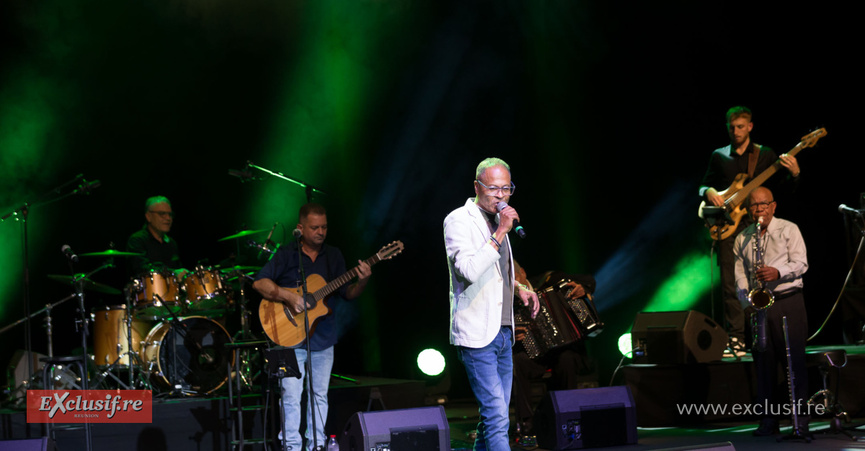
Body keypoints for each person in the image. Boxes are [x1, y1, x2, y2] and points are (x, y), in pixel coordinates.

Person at [253, 203, 371, 451]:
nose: (320, 232)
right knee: (290, 396)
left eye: (324, 227)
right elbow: (259, 283)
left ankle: (316, 445)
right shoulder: (286, 253)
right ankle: (291, 447)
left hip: (323, 337)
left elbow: (347, 294)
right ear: (300, 228)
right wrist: (289, 297)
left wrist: (363, 281)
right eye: (314, 227)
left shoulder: (334, 255)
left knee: (319, 395)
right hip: (285, 337)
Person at [444, 157, 539, 451]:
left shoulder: (499, 222)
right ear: (477, 186)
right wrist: (500, 233)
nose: (501, 195)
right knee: (497, 415)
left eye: (507, 189)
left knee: (494, 416)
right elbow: (469, 270)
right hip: (476, 335)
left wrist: (519, 288)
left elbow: (496, 272)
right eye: (494, 188)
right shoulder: (458, 220)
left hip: (503, 331)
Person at [699, 106, 801, 352]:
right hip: (728, 225)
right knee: (730, 284)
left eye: (741, 126)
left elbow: (781, 189)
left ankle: (763, 335)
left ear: (750, 127)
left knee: (759, 280)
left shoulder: (765, 155)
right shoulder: (719, 155)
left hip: (756, 225)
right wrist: (710, 191)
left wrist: (795, 174)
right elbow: (704, 186)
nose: (736, 131)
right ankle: (736, 337)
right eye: (732, 127)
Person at [733, 187, 809, 436]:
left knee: (793, 363)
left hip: (788, 301)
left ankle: (800, 421)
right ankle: (768, 420)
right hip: (760, 307)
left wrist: (778, 272)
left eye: (764, 205)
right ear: (747, 210)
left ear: (773, 207)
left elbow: (801, 263)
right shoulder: (742, 237)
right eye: (754, 206)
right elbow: (740, 276)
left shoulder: (789, 229)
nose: (759, 210)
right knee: (763, 366)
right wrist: (748, 305)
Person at [511, 266, 600, 434]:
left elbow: (589, 280)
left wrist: (582, 287)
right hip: (534, 354)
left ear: (523, 272)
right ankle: (526, 424)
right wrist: (512, 335)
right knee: (517, 362)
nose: (513, 282)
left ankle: (567, 417)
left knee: (567, 359)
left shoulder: (551, 280)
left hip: (563, 350)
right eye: (508, 278)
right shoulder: (506, 298)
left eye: (514, 276)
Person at [126, 196, 186, 277]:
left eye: (170, 214)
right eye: (162, 214)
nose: (168, 218)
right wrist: (173, 273)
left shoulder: (171, 243)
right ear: (148, 216)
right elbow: (141, 269)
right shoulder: (137, 240)